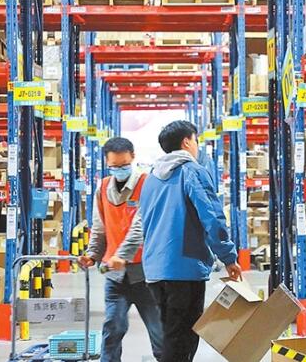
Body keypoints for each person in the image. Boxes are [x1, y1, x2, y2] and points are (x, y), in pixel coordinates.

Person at [138, 120, 242, 362]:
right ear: (186, 142)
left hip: (154, 269)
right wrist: (228, 257)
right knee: (182, 341)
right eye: (196, 140)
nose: (197, 146)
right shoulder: (192, 171)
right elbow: (212, 218)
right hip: (183, 269)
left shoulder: (151, 178)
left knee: (171, 337)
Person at [78, 137, 163, 362]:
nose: (119, 169)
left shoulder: (147, 184)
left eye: (124, 164)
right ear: (107, 163)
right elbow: (99, 227)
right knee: (113, 328)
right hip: (115, 277)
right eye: (114, 166)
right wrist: (92, 254)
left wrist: (122, 255)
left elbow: (140, 226)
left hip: (146, 275)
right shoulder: (103, 187)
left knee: (159, 333)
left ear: (133, 157)